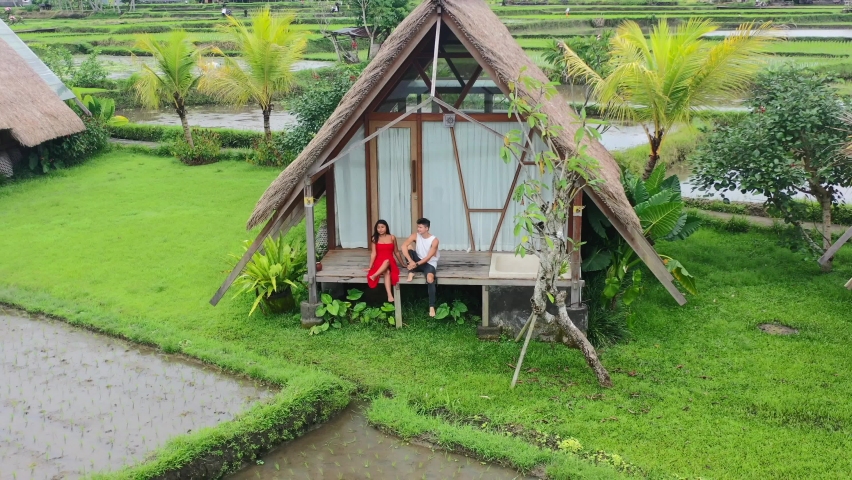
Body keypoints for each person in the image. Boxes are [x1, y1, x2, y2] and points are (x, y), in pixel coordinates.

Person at [401, 218, 440, 317]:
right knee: (409, 247)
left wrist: (416, 264)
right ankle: (412, 271)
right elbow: (403, 246)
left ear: (427, 228)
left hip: (429, 263)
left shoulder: (434, 240)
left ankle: (431, 306)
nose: (418, 229)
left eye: (420, 227)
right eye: (418, 227)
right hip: (417, 260)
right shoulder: (415, 235)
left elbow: (428, 257)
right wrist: (411, 261)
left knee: (430, 278)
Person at [364, 220, 403, 303]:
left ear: (386, 227)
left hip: (390, 261)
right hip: (379, 261)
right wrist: (370, 266)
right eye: (378, 227)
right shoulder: (374, 238)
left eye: (382, 227)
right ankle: (389, 295)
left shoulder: (392, 237)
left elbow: (396, 252)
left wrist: (402, 264)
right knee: (387, 272)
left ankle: (374, 276)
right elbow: (373, 253)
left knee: (388, 261)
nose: (380, 229)